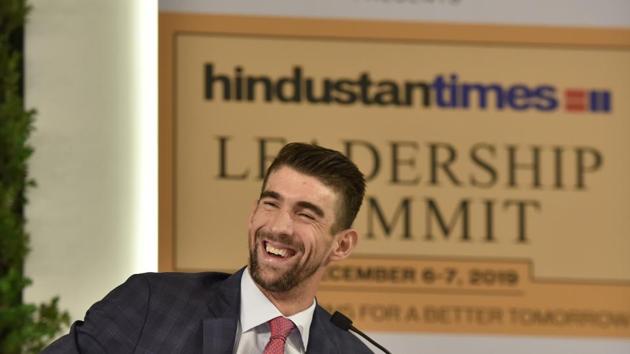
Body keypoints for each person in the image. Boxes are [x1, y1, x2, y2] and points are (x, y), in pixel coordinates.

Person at [43, 142, 372, 353]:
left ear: (342, 245)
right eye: (271, 204)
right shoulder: (152, 304)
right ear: (253, 211)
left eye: (305, 214)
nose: (278, 226)